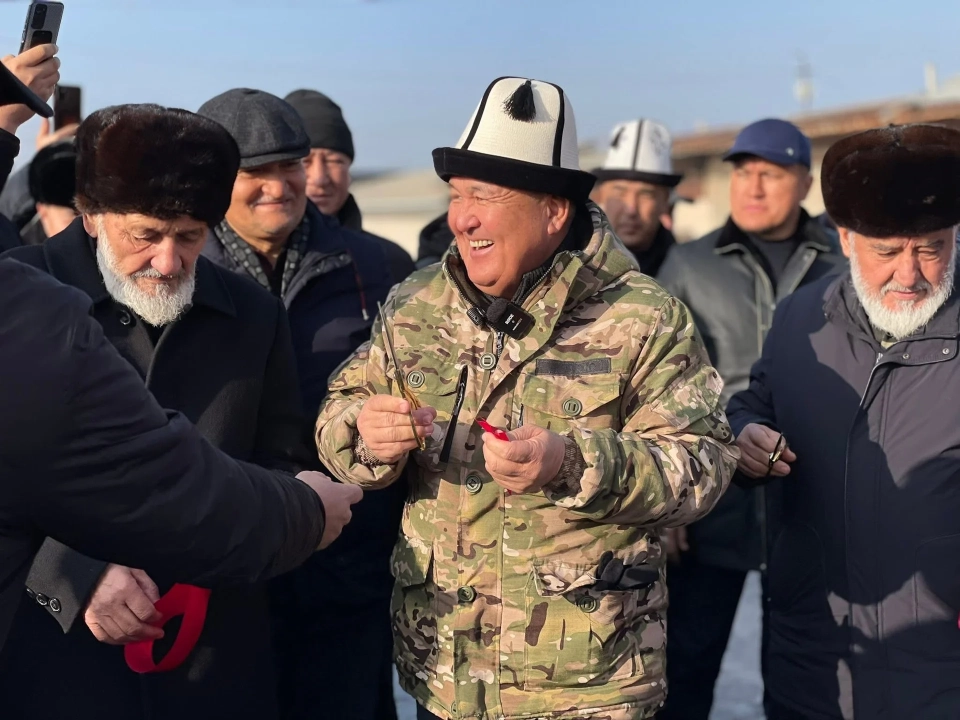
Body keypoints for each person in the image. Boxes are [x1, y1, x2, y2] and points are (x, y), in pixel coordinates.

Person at [315, 76, 738, 720]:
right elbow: (339, 414)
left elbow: (704, 467)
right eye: (457, 195)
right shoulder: (415, 304)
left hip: (586, 688)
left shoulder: (645, 318)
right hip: (444, 677)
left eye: (485, 196)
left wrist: (570, 463)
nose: (462, 217)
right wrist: (363, 434)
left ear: (553, 211)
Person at [0, 37, 361, 658]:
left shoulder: (252, 313)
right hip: (53, 652)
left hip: (212, 648)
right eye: (145, 236)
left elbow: (279, 459)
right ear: (91, 215)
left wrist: (272, 518)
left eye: (189, 237)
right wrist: (77, 572)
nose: (168, 262)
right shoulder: (25, 300)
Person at [727, 122, 960, 719]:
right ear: (846, 238)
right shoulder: (799, 319)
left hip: (940, 663)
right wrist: (743, 437)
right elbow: (754, 403)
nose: (909, 275)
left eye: (930, 249)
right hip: (814, 653)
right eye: (887, 252)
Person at [198, 88, 403, 720]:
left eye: (290, 165)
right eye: (254, 171)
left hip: (347, 569)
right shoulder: (176, 269)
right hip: (223, 568)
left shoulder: (380, 268)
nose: (280, 185)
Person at [656, 118, 843, 720]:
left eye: (771, 173)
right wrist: (667, 505)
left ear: (805, 182)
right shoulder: (690, 264)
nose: (753, 187)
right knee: (686, 667)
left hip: (814, 503)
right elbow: (656, 383)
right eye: (743, 172)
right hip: (714, 503)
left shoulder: (842, 259)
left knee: (803, 676)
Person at [285, 89, 415, 284]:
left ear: (349, 171)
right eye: (304, 161)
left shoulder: (389, 262)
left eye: (334, 161)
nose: (320, 178)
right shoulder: (256, 265)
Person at [590, 119, 682, 277]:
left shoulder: (687, 274)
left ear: (665, 202)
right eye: (619, 193)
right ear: (601, 195)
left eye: (646, 194)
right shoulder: (572, 266)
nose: (631, 209)